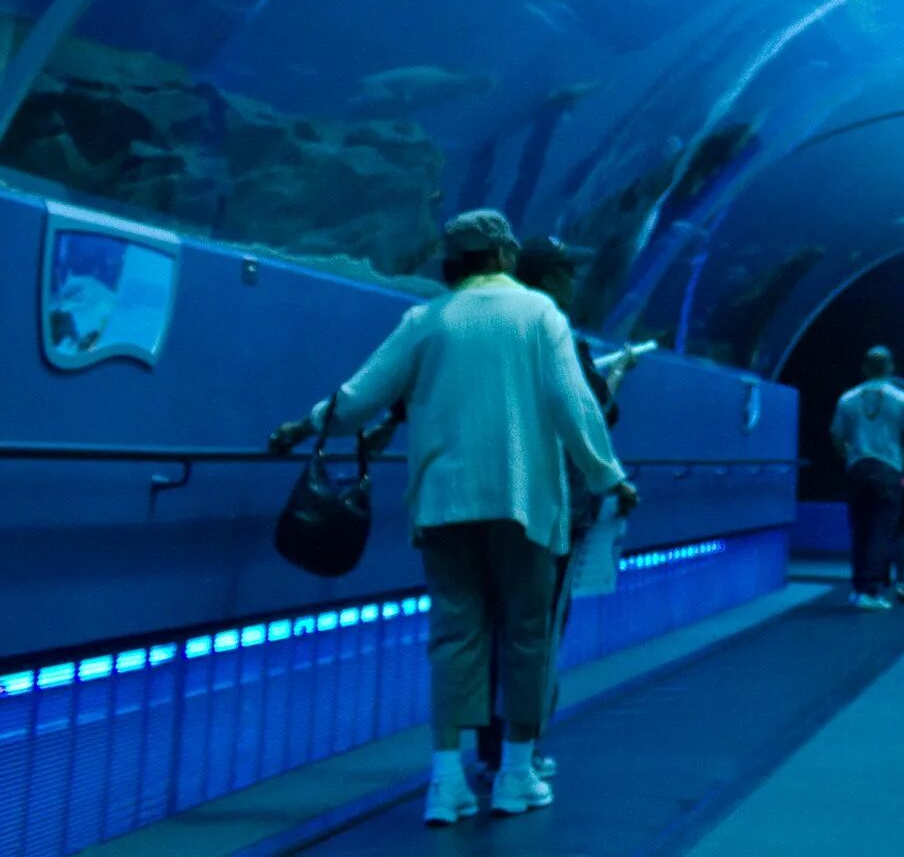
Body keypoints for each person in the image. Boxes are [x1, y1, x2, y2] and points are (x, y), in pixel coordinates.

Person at [268, 209, 633, 828]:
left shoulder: (425, 319)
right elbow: (574, 404)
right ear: (504, 256)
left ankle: (446, 782)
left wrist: (305, 425)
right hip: (524, 503)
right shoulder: (540, 317)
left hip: (444, 503)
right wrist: (609, 476)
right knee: (526, 634)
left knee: (453, 635)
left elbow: (359, 396)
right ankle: (516, 775)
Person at [503, 236, 638, 778]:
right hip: (554, 507)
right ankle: (524, 752)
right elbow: (588, 413)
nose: (575, 281)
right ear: (549, 277)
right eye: (567, 271)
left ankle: (489, 754)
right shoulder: (558, 333)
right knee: (539, 631)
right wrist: (613, 384)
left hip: (491, 502)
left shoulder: (491, 330)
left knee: (493, 628)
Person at [832, 346, 904, 610]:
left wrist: (850, 458)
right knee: (882, 530)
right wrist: (902, 466)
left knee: (859, 530)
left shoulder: (847, 399)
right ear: (890, 368)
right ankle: (872, 591)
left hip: (857, 468)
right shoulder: (903, 399)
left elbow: (837, 436)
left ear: (864, 368)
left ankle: (858, 587)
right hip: (888, 469)